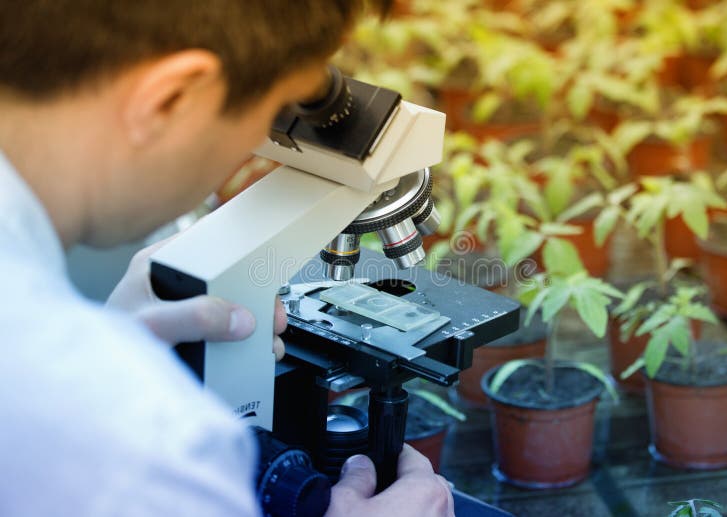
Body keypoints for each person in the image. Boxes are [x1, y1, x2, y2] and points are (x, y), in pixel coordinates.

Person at [0, 1, 454, 516]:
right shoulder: (149, 451)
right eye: (272, 110)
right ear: (172, 98)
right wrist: (111, 382)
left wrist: (102, 349)